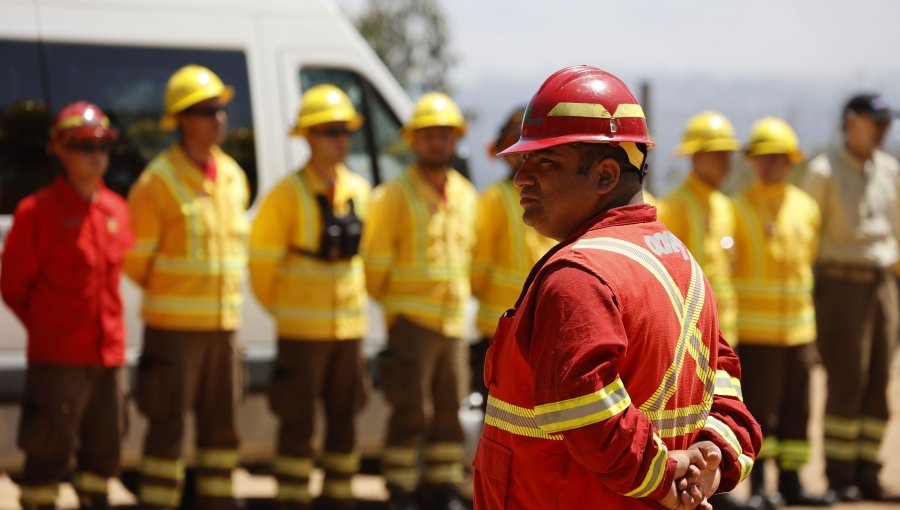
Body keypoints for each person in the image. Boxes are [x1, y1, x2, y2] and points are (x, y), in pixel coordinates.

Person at [472, 65, 761, 510]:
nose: (521, 177)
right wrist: (712, 456)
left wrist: (667, 481)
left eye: (545, 161)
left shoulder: (578, 277)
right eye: (525, 159)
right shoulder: (679, 260)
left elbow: (587, 412)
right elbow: (723, 383)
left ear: (606, 175)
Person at [124, 64, 249, 510]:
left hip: (223, 331)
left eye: (220, 108)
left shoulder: (234, 176)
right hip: (172, 331)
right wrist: (178, 297)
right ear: (180, 120)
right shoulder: (156, 181)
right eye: (204, 110)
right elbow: (135, 261)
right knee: (167, 431)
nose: (218, 118)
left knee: (221, 431)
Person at [1, 101, 132, 510]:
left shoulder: (116, 210)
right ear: (58, 149)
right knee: (46, 460)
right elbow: (13, 286)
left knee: (103, 459)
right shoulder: (36, 213)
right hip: (57, 362)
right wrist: (49, 328)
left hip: (108, 361)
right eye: (84, 146)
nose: (96, 157)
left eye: (103, 147)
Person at [248, 84, 370, 510]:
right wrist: (287, 311)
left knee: (345, 422)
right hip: (302, 332)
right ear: (308, 136)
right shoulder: (286, 193)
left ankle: (339, 498)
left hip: (348, 330)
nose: (341, 139)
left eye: (345, 130)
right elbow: (261, 266)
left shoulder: (358, 188)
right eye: (331, 131)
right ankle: (292, 501)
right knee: (297, 423)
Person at [361, 92, 478, 510]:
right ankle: (402, 490)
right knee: (409, 413)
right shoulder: (392, 195)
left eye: (445, 134)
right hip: (411, 323)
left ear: (456, 140)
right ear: (413, 140)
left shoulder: (465, 194)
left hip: (452, 325)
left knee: (448, 415)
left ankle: (442, 489)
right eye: (429, 135)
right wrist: (398, 308)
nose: (438, 142)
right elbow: (373, 266)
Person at [803, 93, 900, 503]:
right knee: (847, 381)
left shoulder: (890, 171)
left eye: (885, 121)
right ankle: (839, 477)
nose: (883, 129)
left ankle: (868, 472)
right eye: (874, 121)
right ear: (850, 122)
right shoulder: (824, 172)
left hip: (883, 284)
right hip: (840, 285)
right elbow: (807, 234)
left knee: (879, 382)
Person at [732, 117, 832, 507]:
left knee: (798, 411)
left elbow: (809, 261)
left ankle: (792, 482)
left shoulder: (806, 207)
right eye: (762, 158)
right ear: (752, 161)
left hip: (799, 330)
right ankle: (759, 486)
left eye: (778, 158)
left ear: (791, 161)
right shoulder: (737, 208)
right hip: (757, 334)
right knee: (760, 414)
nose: (770, 165)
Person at [470, 106, 555, 410]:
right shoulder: (495, 198)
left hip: (539, 325)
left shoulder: (552, 196)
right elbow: (477, 268)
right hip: (499, 328)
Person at [658, 111, 740, 347]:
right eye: (717, 154)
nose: (726, 162)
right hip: (690, 337)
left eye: (728, 154)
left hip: (725, 332)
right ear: (694, 157)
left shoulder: (724, 205)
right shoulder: (674, 206)